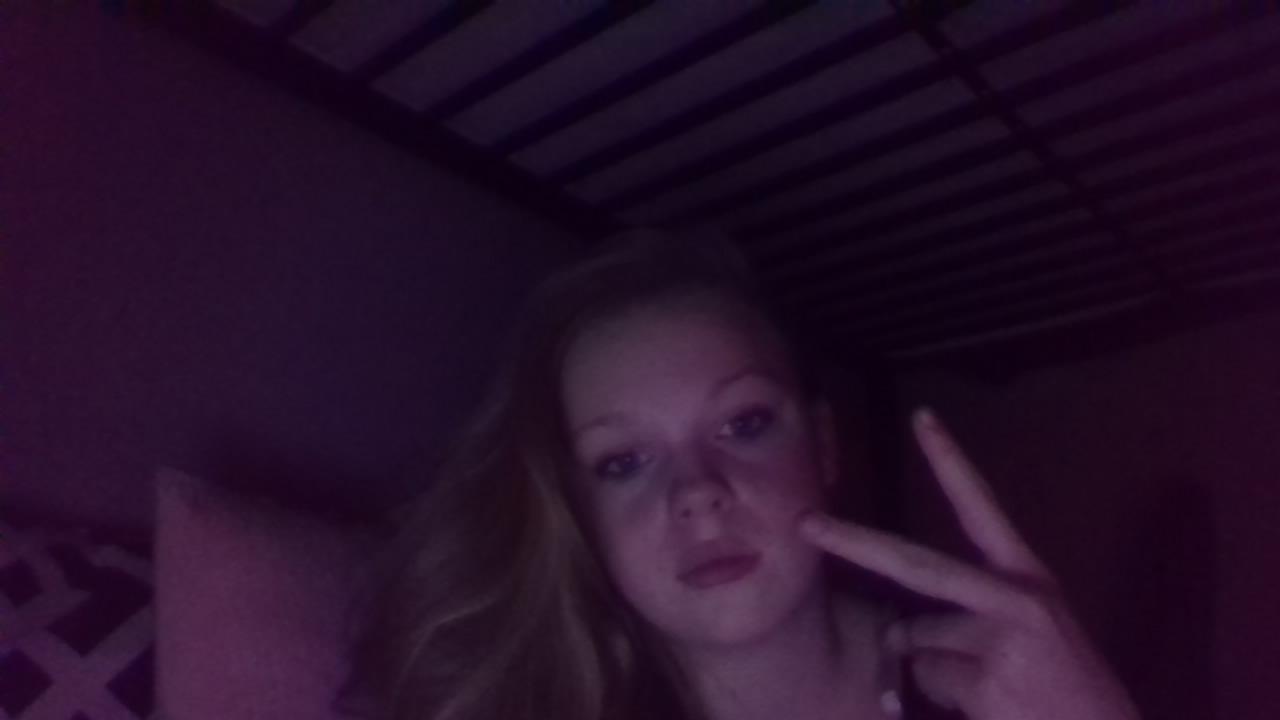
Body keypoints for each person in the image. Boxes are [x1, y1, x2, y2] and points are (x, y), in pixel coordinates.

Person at [338, 229, 1142, 720]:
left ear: (822, 447)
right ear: (578, 515)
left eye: (744, 424)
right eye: (623, 462)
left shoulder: (998, 692)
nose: (697, 492)